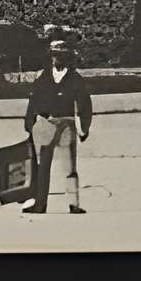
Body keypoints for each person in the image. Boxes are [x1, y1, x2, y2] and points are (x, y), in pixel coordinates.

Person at [21, 35, 92, 215]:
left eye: (61, 55)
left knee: (69, 166)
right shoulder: (43, 77)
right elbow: (33, 100)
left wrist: (83, 127)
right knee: (42, 166)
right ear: (50, 56)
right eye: (54, 54)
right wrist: (30, 122)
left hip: (67, 123)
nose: (57, 58)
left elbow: (84, 103)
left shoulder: (75, 78)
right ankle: (40, 204)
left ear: (68, 56)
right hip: (46, 123)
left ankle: (73, 204)